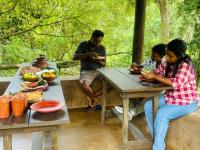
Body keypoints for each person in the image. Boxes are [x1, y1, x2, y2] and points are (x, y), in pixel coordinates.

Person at [142, 39, 199, 150]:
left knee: (162, 114)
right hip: (171, 97)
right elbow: (157, 72)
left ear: (180, 56)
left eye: (171, 56)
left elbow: (175, 83)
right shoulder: (168, 62)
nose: (167, 58)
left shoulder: (185, 66)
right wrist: (147, 75)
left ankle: (157, 147)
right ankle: (156, 137)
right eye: (167, 55)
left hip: (187, 101)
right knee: (148, 106)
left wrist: (155, 77)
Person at [115, 43, 166, 120]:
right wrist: (135, 66)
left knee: (149, 99)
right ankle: (128, 108)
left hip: (161, 87)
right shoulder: (152, 60)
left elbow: (163, 79)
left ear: (161, 56)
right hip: (151, 84)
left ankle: (132, 112)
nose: (151, 56)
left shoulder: (165, 64)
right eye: (151, 54)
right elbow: (141, 66)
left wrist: (148, 76)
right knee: (131, 89)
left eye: (154, 55)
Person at [73, 30, 106, 112]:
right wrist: (88, 54)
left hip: (99, 70)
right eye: (96, 41)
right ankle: (94, 99)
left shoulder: (102, 48)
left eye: (100, 41)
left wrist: (98, 60)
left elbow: (104, 64)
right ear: (92, 38)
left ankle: (91, 96)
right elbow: (74, 57)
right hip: (87, 70)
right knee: (84, 85)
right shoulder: (83, 45)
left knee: (113, 83)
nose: (98, 43)